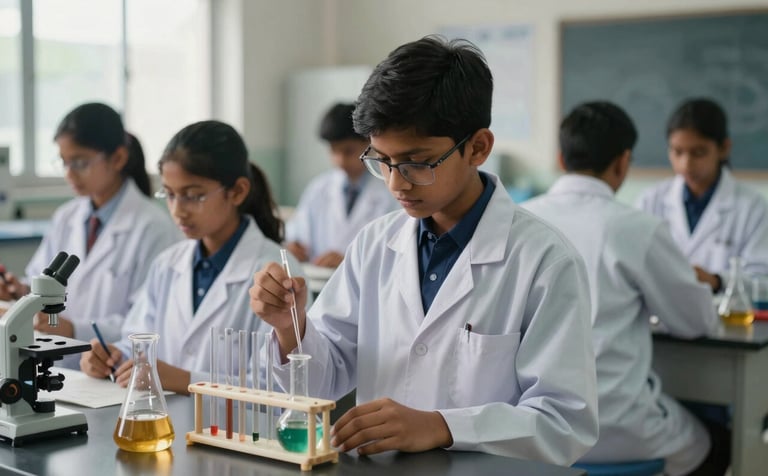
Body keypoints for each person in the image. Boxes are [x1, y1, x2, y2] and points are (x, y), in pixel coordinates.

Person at [249, 36, 598, 465]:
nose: (397, 183)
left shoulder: (544, 261)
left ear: (478, 148)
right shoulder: (376, 243)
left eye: (418, 162)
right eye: (383, 161)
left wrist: (441, 426)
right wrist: (290, 327)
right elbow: (324, 379)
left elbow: (564, 423)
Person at [523, 101, 726, 476]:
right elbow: (696, 323)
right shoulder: (636, 227)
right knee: (717, 442)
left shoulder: (520, 220)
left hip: (533, 431)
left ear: (561, 158)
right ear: (623, 162)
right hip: (617, 427)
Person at [80, 120, 303, 394]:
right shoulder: (167, 264)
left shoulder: (276, 273)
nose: (177, 211)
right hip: (167, 426)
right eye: (170, 195)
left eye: (193, 196)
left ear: (237, 192)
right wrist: (112, 358)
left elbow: (282, 386)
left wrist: (184, 379)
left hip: (237, 433)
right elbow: (137, 340)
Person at [0, 103, 180, 368]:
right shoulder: (66, 217)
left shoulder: (153, 227)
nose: (69, 173)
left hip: (111, 372)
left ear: (117, 158)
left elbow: (146, 320)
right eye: (64, 162)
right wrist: (21, 291)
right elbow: (43, 280)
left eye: (80, 162)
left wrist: (73, 330)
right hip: (58, 368)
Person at [636, 98, 768, 291]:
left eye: (698, 153)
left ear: (723, 148)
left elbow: (763, 281)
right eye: (677, 152)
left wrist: (716, 281)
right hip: (660, 317)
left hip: (727, 318)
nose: (686, 164)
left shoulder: (752, 207)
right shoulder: (650, 201)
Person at [284, 103, 397, 268]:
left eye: (348, 151)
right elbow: (297, 232)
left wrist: (349, 260)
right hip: (319, 283)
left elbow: (393, 249)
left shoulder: (391, 190)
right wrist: (293, 246)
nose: (340, 160)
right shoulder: (319, 188)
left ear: (369, 143)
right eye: (333, 151)